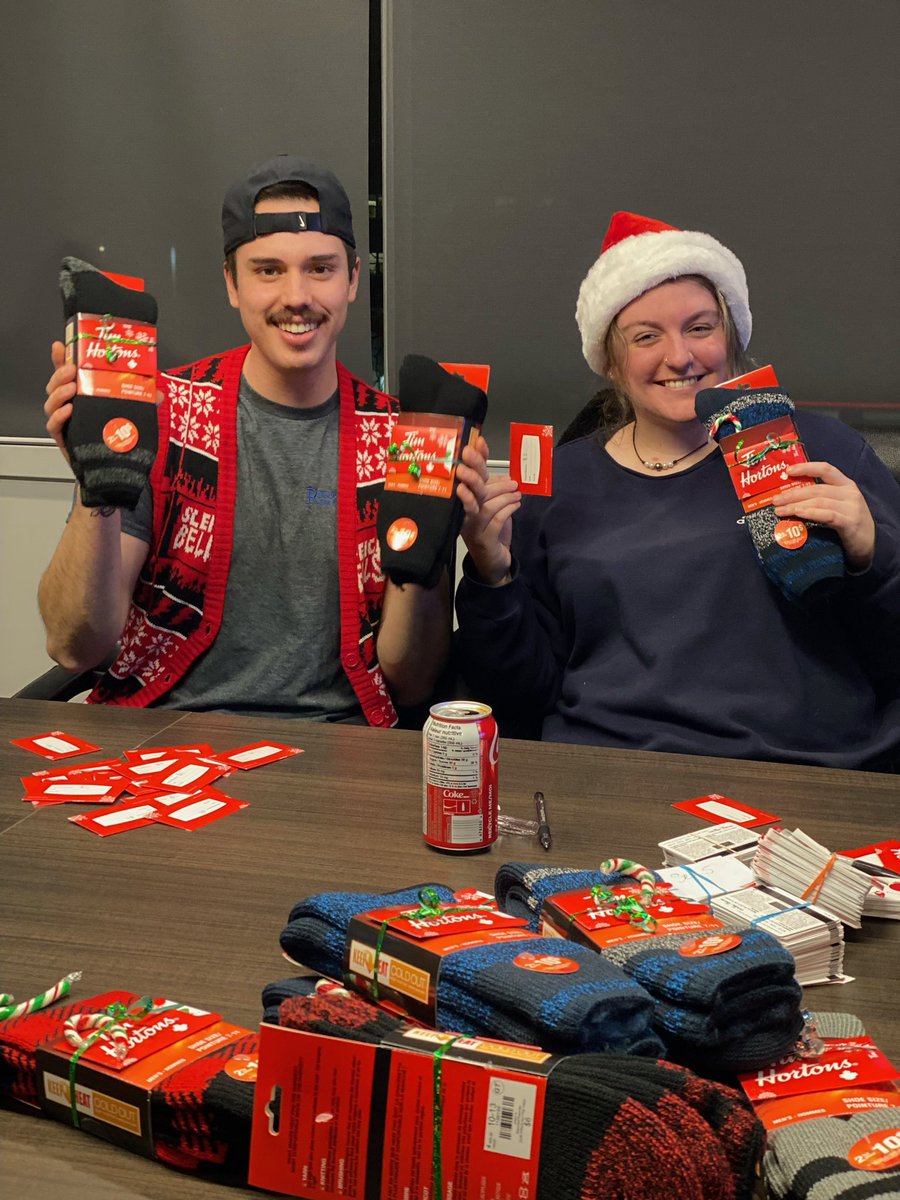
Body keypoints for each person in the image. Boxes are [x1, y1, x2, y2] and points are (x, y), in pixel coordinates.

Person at [455, 211, 900, 770]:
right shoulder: (557, 483)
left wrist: (871, 553)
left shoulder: (818, 449)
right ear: (611, 363)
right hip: (607, 773)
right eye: (646, 337)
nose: (680, 357)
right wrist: (492, 575)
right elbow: (520, 697)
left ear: (732, 334)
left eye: (700, 327)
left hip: (798, 775)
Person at [39, 155, 450, 725]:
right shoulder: (162, 413)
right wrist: (97, 489)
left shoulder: (404, 441)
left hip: (342, 755)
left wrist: (429, 538)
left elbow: (410, 684)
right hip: (164, 732)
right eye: (268, 270)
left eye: (321, 269)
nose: (297, 295)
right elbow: (72, 646)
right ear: (231, 283)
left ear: (354, 279)